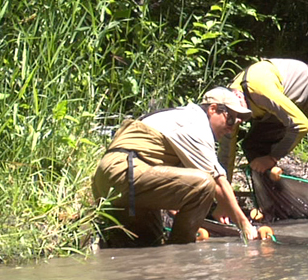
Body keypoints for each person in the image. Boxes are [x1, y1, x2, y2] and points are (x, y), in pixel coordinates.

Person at [92, 87, 259, 246]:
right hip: (123, 173)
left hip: (112, 179)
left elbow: (166, 173)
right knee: (204, 184)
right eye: (230, 119)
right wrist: (244, 225)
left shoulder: (179, 117)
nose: (231, 129)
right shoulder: (195, 124)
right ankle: (183, 253)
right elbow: (218, 183)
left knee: (150, 244)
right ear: (213, 109)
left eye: (237, 122)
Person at [223, 58, 308, 191]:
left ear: (240, 96)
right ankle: (274, 202)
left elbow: (301, 125)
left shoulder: (260, 89)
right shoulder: (227, 106)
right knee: (253, 145)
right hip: (283, 100)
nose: (239, 121)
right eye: (234, 119)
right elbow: (226, 154)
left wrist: (272, 157)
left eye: (241, 115)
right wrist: (225, 190)